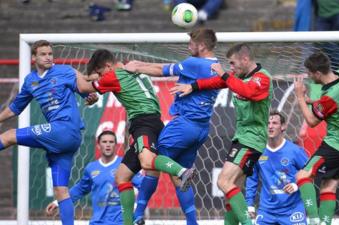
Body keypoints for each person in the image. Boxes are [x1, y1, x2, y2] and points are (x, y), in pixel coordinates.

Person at [76, 49, 196, 225]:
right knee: (121, 176)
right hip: (152, 121)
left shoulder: (113, 77)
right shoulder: (132, 67)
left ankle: (181, 170)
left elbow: (83, 87)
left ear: (107, 66)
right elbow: (99, 81)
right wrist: (93, 79)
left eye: (100, 73)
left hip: (143, 123)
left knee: (148, 163)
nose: (100, 77)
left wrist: (71, 72)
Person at [124, 27, 220, 225]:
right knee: (179, 174)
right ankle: (192, 222)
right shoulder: (215, 65)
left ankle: (138, 213)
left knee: (153, 160)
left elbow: (162, 70)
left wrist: (137, 67)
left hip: (185, 124)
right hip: (201, 128)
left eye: (191, 43)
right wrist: (140, 63)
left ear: (201, 46)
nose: (188, 47)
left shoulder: (195, 63)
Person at [169, 43, 273, 225]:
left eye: (233, 63)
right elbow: (217, 82)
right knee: (232, 193)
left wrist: (223, 73)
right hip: (242, 138)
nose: (230, 68)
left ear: (245, 59)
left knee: (223, 181)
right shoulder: (237, 76)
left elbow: (247, 91)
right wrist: (193, 86)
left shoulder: (262, 78)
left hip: (252, 139)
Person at [0, 40, 98, 225]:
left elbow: (86, 90)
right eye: (43, 54)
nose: (48, 57)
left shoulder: (65, 71)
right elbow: (15, 108)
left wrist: (91, 96)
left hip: (65, 129)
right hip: (65, 139)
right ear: (34, 57)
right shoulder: (30, 81)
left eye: (50, 54)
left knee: (10, 135)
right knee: (61, 190)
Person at [293, 51, 339, 225]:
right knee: (328, 187)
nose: (309, 77)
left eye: (309, 73)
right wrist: (314, 102)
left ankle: (314, 221)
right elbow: (336, 102)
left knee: (302, 176)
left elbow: (311, 121)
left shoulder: (329, 98)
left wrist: (300, 97)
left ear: (317, 73)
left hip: (338, 144)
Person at [45, 130, 144, 225]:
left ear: (116, 145)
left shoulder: (125, 165)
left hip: (121, 222)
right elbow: (80, 190)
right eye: (104, 142)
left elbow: (143, 186)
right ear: (98, 145)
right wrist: (58, 202)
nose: (108, 145)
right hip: (97, 222)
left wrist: (137, 207)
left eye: (111, 142)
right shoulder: (91, 168)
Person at [245, 110, 308, 225]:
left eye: (274, 123)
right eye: (267, 123)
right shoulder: (258, 151)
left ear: (283, 126)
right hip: (267, 211)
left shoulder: (295, 151)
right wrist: (249, 204)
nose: (270, 126)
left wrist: (296, 185)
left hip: (292, 210)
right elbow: (252, 179)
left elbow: (310, 172)